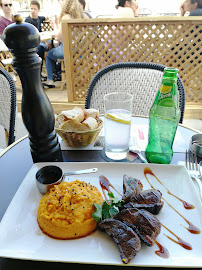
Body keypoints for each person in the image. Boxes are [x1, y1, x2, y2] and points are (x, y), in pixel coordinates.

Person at [45, 0, 85, 87]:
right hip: (79, 50)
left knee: (49, 55)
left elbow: (58, 37)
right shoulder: (78, 17)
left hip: (68, 50)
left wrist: (55, 25)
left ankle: (50, 80)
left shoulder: (66, 17)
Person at [25, 0, 52, 81]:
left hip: (40, 41)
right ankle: (38, 75)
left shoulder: (39, 18)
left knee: (51, 45)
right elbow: (31, 36)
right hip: (32, 44)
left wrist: (49, 18)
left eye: (34, 9)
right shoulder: (28, 21)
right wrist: (45, 41)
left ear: (38, 10)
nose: (32, 11)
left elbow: (45, 17)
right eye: (31, 8)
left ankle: (52, 72)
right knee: (40, 49)